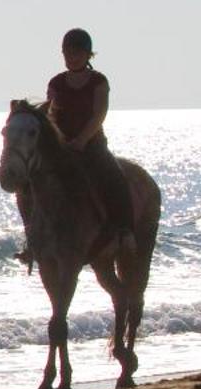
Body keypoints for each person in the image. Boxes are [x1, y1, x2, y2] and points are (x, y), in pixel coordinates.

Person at [43, 27, 135, 253]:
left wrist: (82, 140)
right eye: (66, 53)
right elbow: (50, 115)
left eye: (75, 53)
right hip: (62, 146)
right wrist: (61, 141)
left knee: (114, 177)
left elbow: (99, 114)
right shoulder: (56, 83)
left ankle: (125, 231)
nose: (70, 57)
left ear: (87, 55)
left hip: (92, 145)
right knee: (35, 182)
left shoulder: (98, 81)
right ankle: (33, 240)